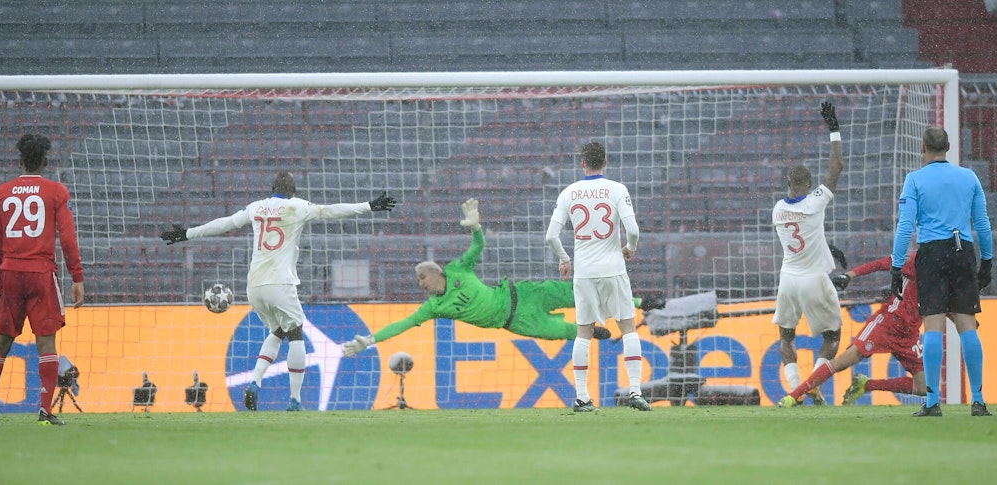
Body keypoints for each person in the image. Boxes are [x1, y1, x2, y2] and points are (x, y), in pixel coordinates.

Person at [161, 171, 396, 412]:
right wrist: (368, 206)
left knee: (277, 331)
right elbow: (331, 211)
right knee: (295, 333)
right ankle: (295, 400)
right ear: (293, 191)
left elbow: (226, 223)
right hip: (281, 283)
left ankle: (255, 381)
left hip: (254, 286)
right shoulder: (297, 207)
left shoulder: (256, 207)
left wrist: (188, 233)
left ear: (271, 188)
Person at [341, 199, 663, 357]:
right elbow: (403, 325)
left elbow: (478, 246)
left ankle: (640, 302)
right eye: (418, 281)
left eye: (422, 277)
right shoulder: (434, 308)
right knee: (564, 332)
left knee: (579, 294)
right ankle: (594, 332)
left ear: (436, 271)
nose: (420, 284)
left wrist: (476, 226)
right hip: (516, 322)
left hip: (524, 295)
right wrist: (370, 340)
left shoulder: (458, 269)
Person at [0, 134, 86, 426]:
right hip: (41, 274)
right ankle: (44, 411)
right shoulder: (55, 192)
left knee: (2, 338)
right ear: (45, 161)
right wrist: (77, 277)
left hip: (11, 272)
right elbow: (67, 238)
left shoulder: (2, 192)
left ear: (20, 161)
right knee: (46, 340)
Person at [892, 127, 993, 417]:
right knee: (967, 325)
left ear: (922, 147)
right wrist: (987, 260)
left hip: (932, 254)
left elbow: (905, 226)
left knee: (932, 325)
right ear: (948, 146)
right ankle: (978, 400)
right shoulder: (968, 177)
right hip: (962, 251)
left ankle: (933, 402)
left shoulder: (915, 180)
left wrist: (897, 266)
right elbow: (982, 223)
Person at [544, 141, 651, 412]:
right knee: (628, 327)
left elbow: (551, 236)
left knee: (584, 332)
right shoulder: (617, 189)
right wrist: (630, 248)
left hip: (585, 272)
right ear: (606, 162)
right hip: (613, 269)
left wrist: (564, 259)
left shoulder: (569, 192)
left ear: (583, 163)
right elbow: (634, 231)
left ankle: (582, 397)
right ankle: (636, 391)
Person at [770, 101, 844, 406]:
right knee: (832, 337)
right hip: (814, 279)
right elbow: (836, 168)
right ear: (812, 185)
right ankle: (812, 385)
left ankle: (794, 389)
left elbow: (802, 234)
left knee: (786, 335)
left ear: (787, 182)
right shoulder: (816, 203)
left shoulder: (777, 209)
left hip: (788, 279)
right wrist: (834, 130)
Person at [777, 255, 925, 407]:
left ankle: (866, 385)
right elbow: (881, 264)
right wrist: (849, 275)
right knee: (844, 361)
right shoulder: (917, 261)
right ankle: (794, 396)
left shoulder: (946, 279)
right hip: (887, 324)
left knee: (925, 386)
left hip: (909, 336)